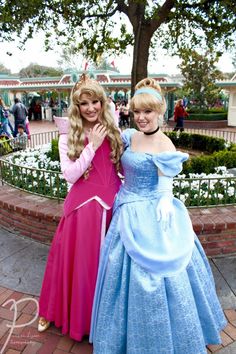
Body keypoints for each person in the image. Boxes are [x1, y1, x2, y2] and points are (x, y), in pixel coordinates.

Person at [90, 78, 226, 353]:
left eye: (147, 112)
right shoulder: (130, 136)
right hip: (125, 211)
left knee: (160, 276)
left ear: (160, 112)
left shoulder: (165, 146)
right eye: (137, 112)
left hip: (151, 216)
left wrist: (165, 200)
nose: (141, 118)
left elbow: (165, 187)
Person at [38, 74, 123, 341]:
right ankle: (63, 315)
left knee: (109, 267)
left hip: (112, 207)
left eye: (95, 101)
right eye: (84, 103)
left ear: (102, 102)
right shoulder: (68, 135)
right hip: (84, 211)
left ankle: (104, 320)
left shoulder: (113, 128)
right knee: (79, 267)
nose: (90, 108)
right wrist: (92, 146)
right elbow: (71, 175)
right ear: (77, 106)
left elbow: (120, 167)